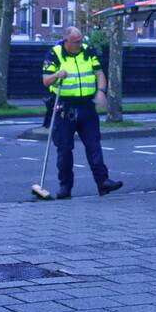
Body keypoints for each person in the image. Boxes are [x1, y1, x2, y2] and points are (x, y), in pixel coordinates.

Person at [42, 27, 123, 199]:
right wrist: (57, 74)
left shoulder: (87, 51)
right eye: (76, 41)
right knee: (64, 149)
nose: (80, 44)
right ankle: (65, 187)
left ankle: (103, 182)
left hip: (86, 106)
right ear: (66, 41)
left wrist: (101, 91)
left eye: (81, 40)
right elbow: (45, 80)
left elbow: (99, 73)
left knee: (94, 145)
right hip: (65, 107)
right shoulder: (54, 53)